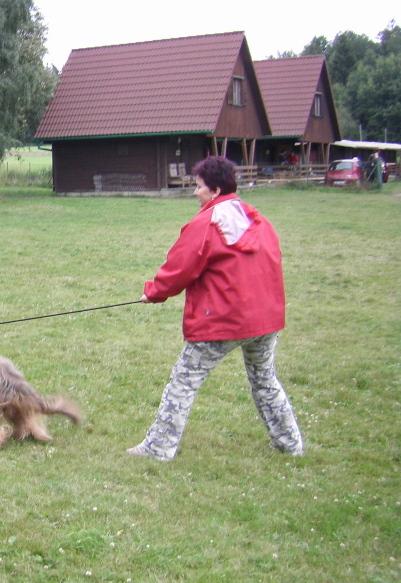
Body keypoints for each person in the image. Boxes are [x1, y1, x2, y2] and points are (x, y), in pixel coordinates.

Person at [127, 156, 303, 462]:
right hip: (266, 320)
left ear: (216, 190)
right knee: (265, 380)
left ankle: (158, 448)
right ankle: (290, 443)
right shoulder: (257, 219)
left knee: (183, 383)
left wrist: (153, 293)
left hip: (224, 321)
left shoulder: (206, 223)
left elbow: (180, 268)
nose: (195, 193)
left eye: (199, 187)